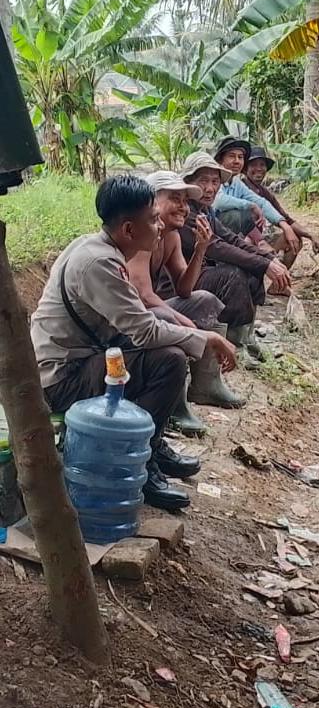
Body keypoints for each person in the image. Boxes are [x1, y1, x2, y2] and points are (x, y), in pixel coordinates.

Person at [30, 175, 237, 512]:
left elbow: (139, 322)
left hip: (84, 359)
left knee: (167, 334)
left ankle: (149, 445)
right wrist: (207, 337)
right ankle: (140, 461)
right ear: (128, 229)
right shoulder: (100, 263)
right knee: (169, 361)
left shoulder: (97, 247)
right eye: (153, 220)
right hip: (63, 379)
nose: (159, 226)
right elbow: (144, 332)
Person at [126, 171, 245, 430]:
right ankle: (174, 405)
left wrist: (201, 248)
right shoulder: (141, 235)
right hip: (130, 320)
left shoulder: (171, 236)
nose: (183, 207)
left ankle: (206, 385)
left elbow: (185, 289)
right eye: (175, 199)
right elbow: (143, 296)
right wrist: (185, 323)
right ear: (151, 202)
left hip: (149, 311)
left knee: (205, 300)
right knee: (169, 317)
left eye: (185, 201)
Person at [180, 152, 291, 364]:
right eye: (203, 181)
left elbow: (231, 239)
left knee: (251, 269)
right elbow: (217, 247)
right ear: (188, 183)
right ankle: (234, 344)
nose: (210, 188)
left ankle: (246, 338)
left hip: (200, 272)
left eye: (215, 182)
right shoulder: (187, 212)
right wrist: (264, 264)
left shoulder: (205, 210)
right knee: (232, 276)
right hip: (182, 282)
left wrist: (268, 258)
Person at [212, 136, 298, 257]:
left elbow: (261, 202)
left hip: (230, 235)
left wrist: (284, 225)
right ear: (221, 160)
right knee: (240, 214)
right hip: (210, 233)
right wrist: (250, 205)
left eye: (240, 157)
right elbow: (218, 201)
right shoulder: (214, 178)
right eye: (232, 156)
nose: (237, 161)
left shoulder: (236, 183)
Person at [244, 145, 319, 266]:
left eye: (262, 165)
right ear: (245, 169)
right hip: (243, 241)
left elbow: (286, 219)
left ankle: (280, 277)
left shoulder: (265, 193)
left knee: (294, 239)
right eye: (253, 165)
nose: (259, 169)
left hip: (260, 239)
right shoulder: (240, 188)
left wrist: (311, 235)